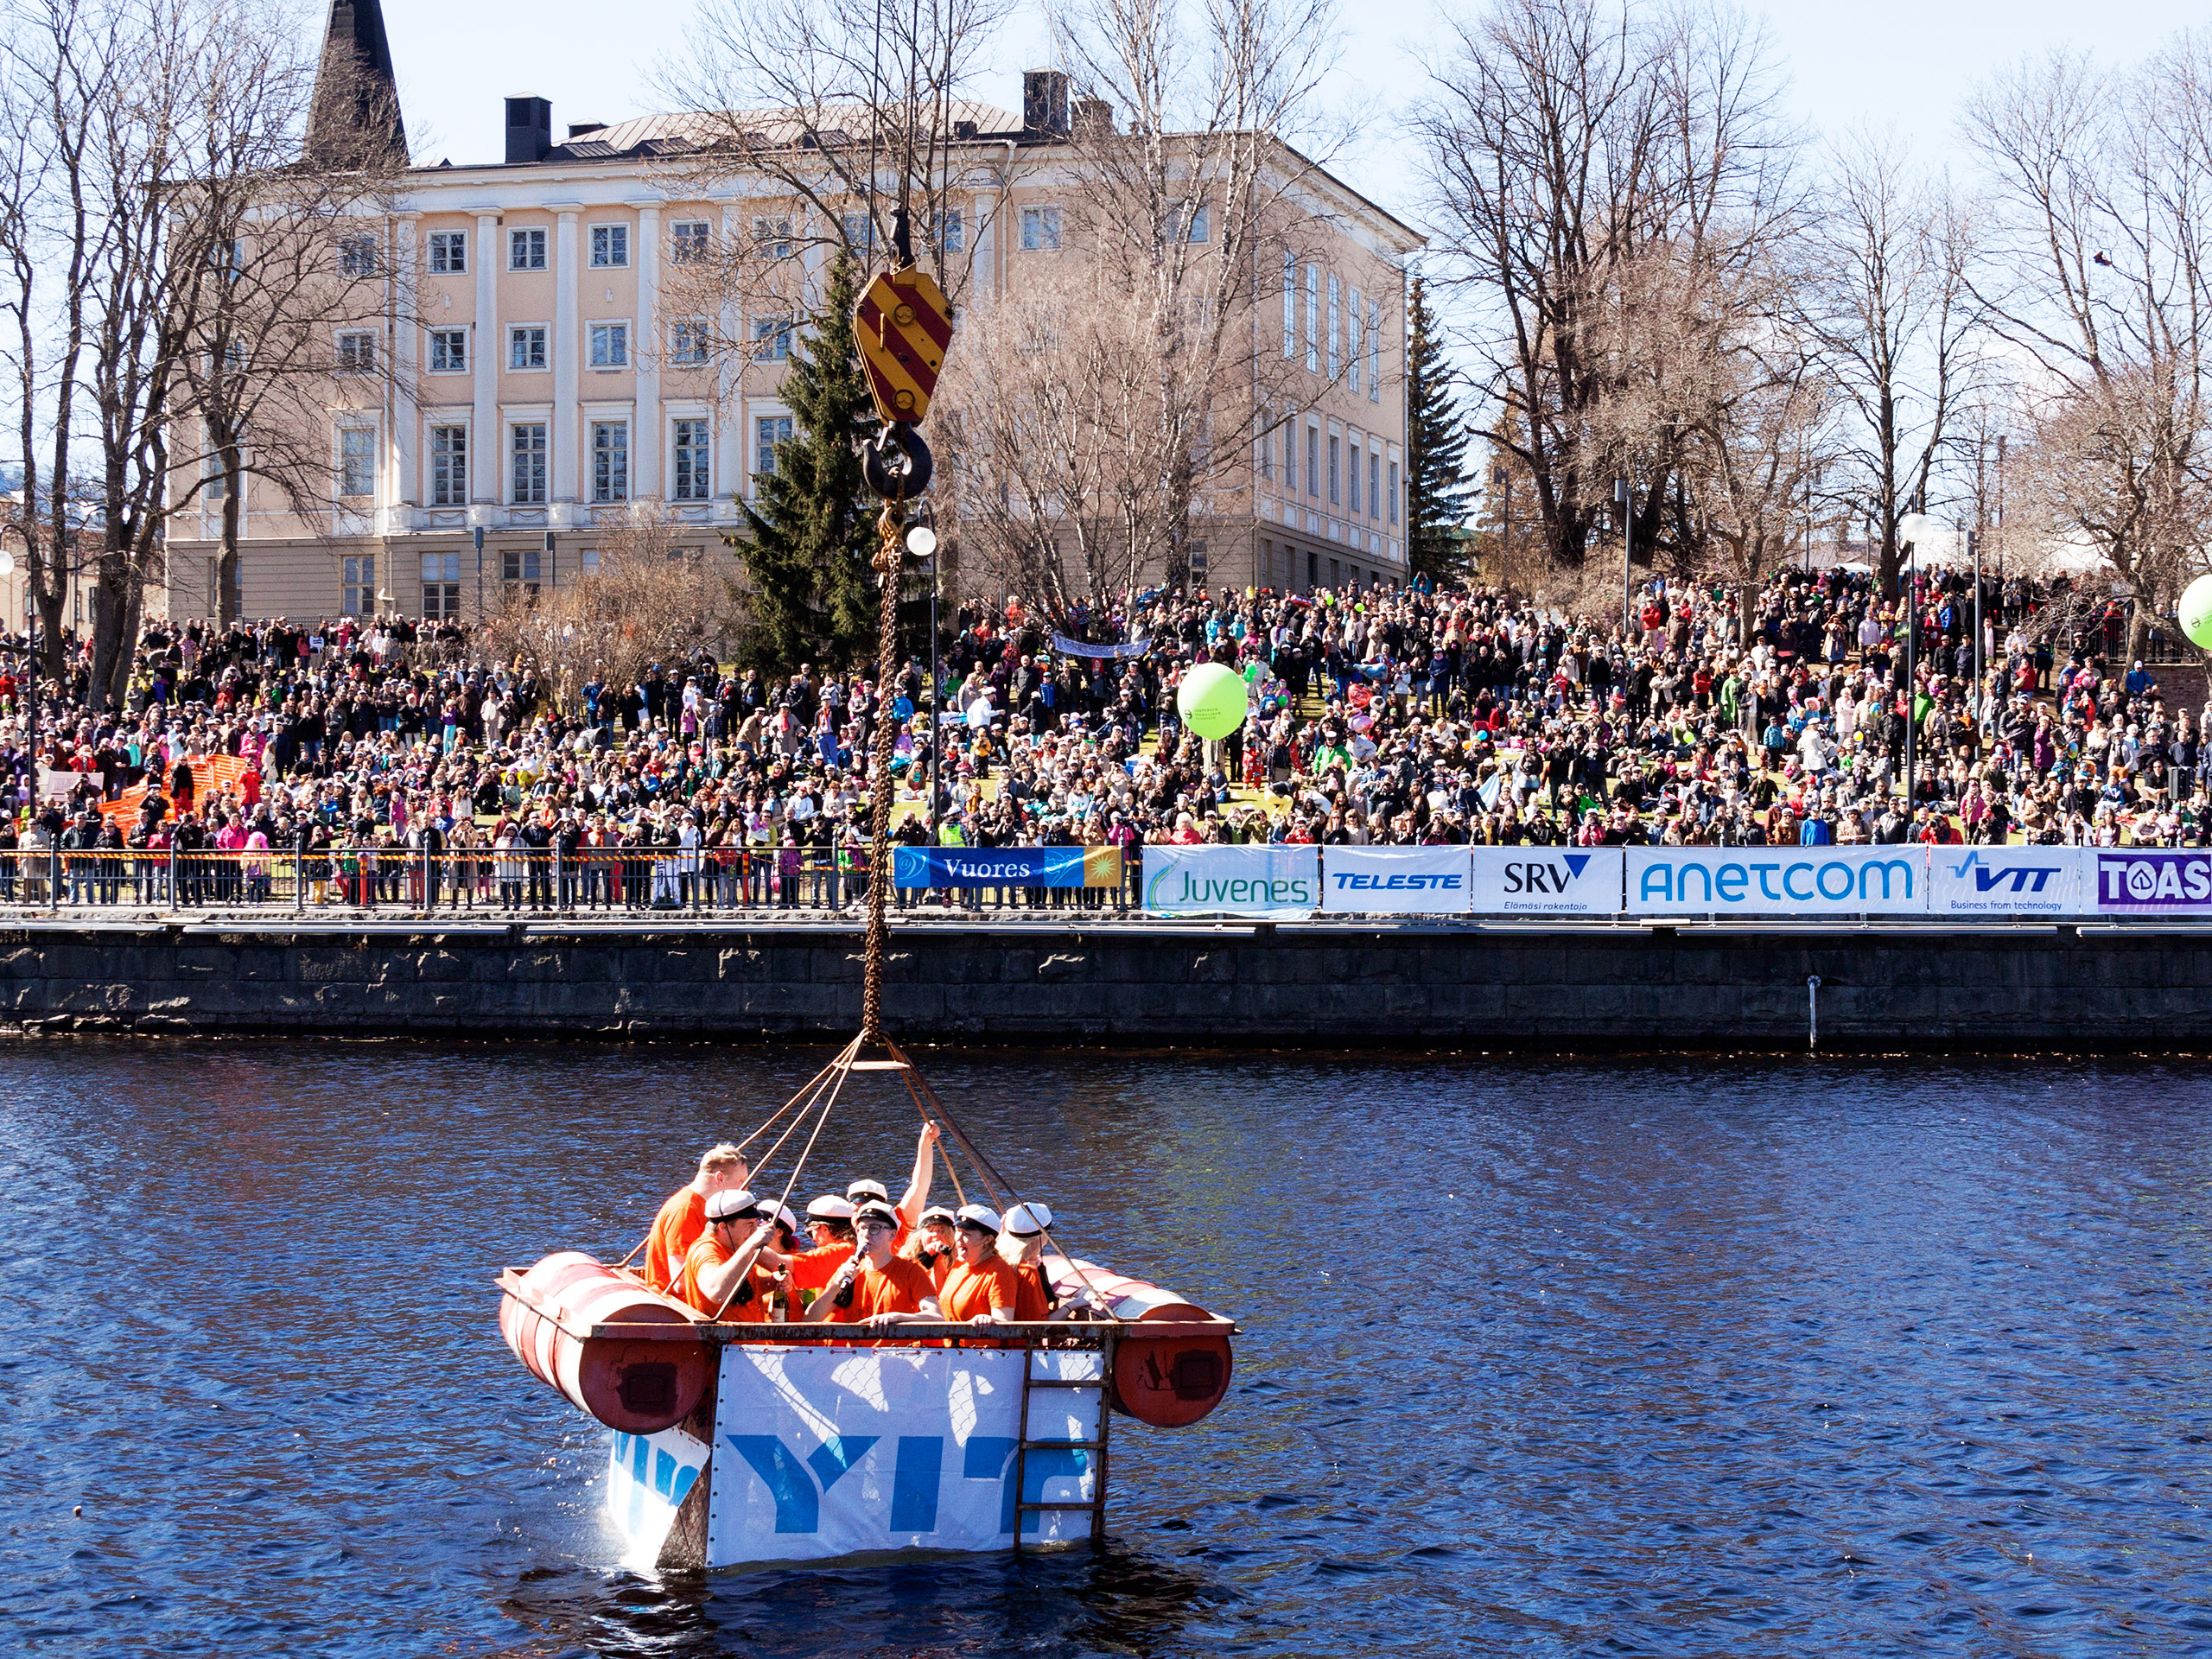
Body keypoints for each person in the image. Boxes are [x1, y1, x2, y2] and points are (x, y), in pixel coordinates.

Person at [804, 1200, 940, 1325]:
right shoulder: (847, 1272)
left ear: (892, 1235)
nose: (866, 1234)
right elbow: (809, 1321)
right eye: (861, 1228)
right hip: (857, 1351)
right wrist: (836, 1287)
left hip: (897, 1350)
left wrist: (899, 1317)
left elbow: (937, 1318)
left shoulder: (911, 1272)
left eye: (875, 1228)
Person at [639, 1142, 751, 1294]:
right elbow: (681, 1282)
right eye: (742, 1182)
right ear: (720, 1178)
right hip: (678, 1307)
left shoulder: (705, 1207)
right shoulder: (684, 1211)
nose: (745, 1191)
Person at [676, 1190, 779, 1322]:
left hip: (749, 1339)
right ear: (723, 1227)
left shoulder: (735, 1245)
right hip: (725, 1341)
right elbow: (716, 1292)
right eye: (749, 1225)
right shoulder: (705, 1250)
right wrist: (751, 1245)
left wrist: (772, 1282)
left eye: (756, 1223)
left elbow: (740, 1290)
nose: (755, 1231)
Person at [929, 1205, 1023, 1326]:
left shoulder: (999, 1272)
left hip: (976, 1345)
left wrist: (987, 1319)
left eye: (967, 1234)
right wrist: (937, 1263)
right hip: (948, 1344)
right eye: (958, 1231)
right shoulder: (960, 1265)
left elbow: (1005, 1322)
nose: (958, 1238)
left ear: (987, 1239)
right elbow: (942, 1300)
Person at [902, 1204, 957, 1293]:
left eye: (942, 1231)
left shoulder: (961, 1264)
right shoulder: (905, 1263)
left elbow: (941, 1298)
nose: (935, 1235)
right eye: (930, 1230)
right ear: (920, 1236)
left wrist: (938, 1262)